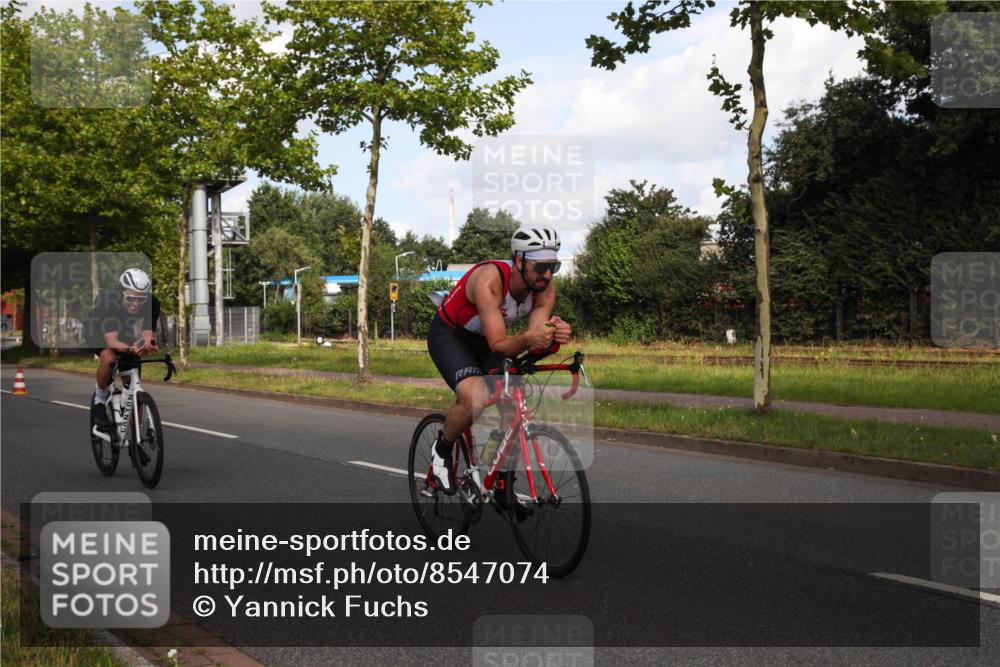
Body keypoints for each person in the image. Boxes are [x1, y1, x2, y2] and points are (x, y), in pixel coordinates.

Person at [426, 223, 572, 495]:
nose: (548, 274)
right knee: (474, 399)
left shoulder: (545, 290)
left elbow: (532, 340)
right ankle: (442, 449)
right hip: (451, 336)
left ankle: (499, 482)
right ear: (519, 260)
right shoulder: (490, 280)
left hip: (487, 342)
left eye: (554, 266)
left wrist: (553, 338)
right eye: (541, 267)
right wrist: (532, 339)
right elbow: (501, 344)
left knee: (512, 408)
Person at [87, 268, 160, 434]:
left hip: (123, 329)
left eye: (140, 299)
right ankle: (99, 399)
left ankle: (137, 438)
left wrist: (149, 344)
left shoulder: (152, 303)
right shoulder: (108, 302)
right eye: (131, 298)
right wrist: (132, 348)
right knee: (109, 357)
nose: (136, 303)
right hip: (98, 329)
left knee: (132, 379)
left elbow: (148, 333)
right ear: (121, 293)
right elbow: (112, 341)